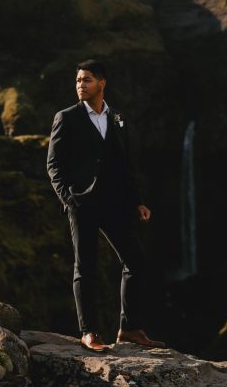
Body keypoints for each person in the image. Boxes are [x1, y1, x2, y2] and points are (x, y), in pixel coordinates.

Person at [46, 59, 166, 352]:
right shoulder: (66, 117)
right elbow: (53, 164)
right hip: (82, 202)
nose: (80, 85)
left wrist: (137, 201)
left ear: (102, 83)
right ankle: (89, 332)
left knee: (135, 261)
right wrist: (68, 198)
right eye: (77, 80)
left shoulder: (118, 118)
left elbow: (126, 163)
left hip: (115, 203)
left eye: (86, 80)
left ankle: (129, 329)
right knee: (85, 267)